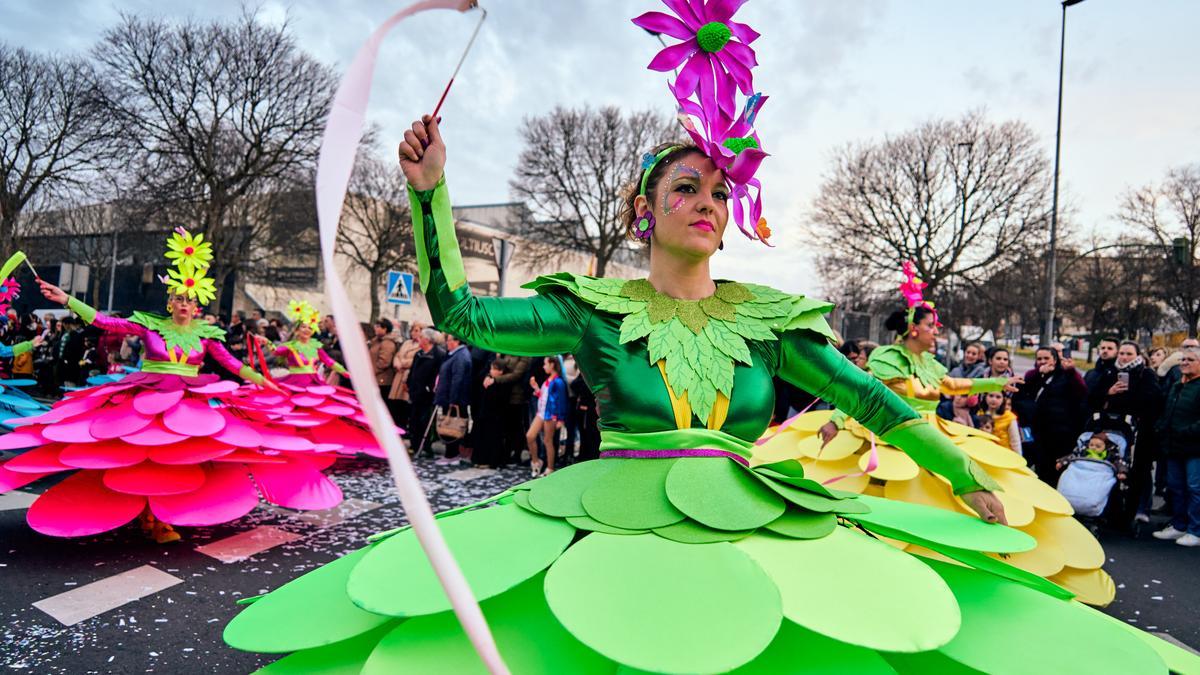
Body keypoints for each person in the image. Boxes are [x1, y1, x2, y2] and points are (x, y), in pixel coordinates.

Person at [224, 9, 1180, 671]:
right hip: (609, 520)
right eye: (685, 188)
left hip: (755, 523)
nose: (706, 203)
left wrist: (957, 468)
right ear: (645, 209)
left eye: (719, 192)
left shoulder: (766, 320)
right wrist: (432, 191)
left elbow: (871, 398)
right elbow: (464, 315)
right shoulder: (595, 305)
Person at [3, 230, 341, 544]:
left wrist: (264, 380)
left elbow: (232, 365)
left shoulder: (207, 335)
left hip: (187, 404)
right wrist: (66, 299)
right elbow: (106, 321)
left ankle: (162, 515)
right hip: (147, 399)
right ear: (170, 301)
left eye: (190, 300)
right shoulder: (150, 325)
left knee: (176, 461)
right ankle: (146, 515)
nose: (183, 303)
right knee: (142, 458)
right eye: (179, 297)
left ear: (197, 306)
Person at [1084, 340, 1162, 524]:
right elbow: (1092, 397)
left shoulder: (1146, 374)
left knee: (1137, 471)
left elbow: (1154, 400)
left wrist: (1131, 393)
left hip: (1137, 430)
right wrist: (1108, 392)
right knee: (1110, 466)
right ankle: (1109, 510)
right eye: (1122, 354)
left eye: (1129, 354)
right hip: (1110, 426)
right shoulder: (1110, 372)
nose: (1124, 357)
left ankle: (1135, 512)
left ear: (1137, 356)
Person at [1153, 347, 1200, 546]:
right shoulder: (1176, 385)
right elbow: (1167, 411)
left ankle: (1195, 530)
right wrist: (1161, 427)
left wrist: (1187, 431)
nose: (1184, 363)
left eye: (1190, 359)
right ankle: (1179, 526)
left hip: (1195, 447)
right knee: (1176, 487)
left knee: (1194, 488)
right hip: (1173, 446)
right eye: (1182, 359)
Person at [433, 333, 472, 465]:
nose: (447, 343)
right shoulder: (455, 355)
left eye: (449, 340)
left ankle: (452, 454)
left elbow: (458, 379)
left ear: (457, 342)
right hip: (448, 396)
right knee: (449, 425)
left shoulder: (461, 356)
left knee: (453, 426)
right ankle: (450, 454)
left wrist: (453, 400)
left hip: (454, 399)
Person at [406, 328, 445, 456]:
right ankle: (414, 444)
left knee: (425, 421)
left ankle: (426, 446)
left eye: (421, 336)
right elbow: (413, 371)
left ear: (427, 340)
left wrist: (430, 387)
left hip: (428, 394)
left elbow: (439, 374)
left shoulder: (439, 354)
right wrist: (409, 383)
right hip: (416, 392)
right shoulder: (419, 354)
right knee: (414, 420)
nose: (418, 338)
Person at [527, 355, 568, 476]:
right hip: (542, 412)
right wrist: (536, 388)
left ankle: (550, 468)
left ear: (552, 364)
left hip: (551, 414)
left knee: (547, 441)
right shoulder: (548, 380)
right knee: (530, 436)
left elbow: (561, 401)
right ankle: (536, 462)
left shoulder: (558, 382)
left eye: (545, 364)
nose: (544, 366)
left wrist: (560, 418)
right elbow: (544, 396)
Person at [388, 321, 425, 427]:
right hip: (399, 374)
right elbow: (397, 355)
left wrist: (402, 363)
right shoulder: (406, 343)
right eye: (413, 330)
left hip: (407, 375)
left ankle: (402, 426)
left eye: (417, 330)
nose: (414, 333)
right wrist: (397, 363)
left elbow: (414, 360)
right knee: (394, 402)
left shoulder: (421, 345)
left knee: (404, 403)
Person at [368, 318, 398, 404]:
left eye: (378, 326)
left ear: (385, 329)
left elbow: (384, 362)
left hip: (382, 381)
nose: (375, 328)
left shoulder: (387, 343)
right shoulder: (376, 341)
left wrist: (370, 372)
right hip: (375, 378)